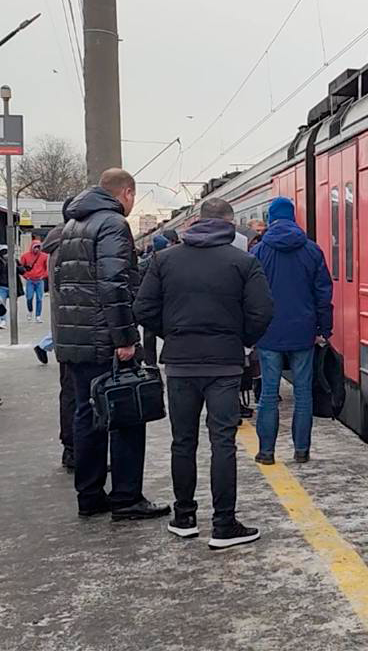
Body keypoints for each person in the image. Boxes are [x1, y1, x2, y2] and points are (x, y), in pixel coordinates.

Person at [135, 197, 273, 548]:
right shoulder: (244, 262)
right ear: (229, 224)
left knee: (183, 441)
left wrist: (175, 333)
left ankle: (184, 518)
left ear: (196, 223)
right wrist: (239, 340)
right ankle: (224, 525)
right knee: (222, 442)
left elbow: (144, 308)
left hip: (181, 364)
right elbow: (261, 313)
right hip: (224, 365)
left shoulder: (164, 259)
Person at [55, 168, 170, 520]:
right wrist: (125, 338)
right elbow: (114, 284)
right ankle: (126, 498)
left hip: (76, 340)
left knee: (87, 414)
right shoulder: (113, 225)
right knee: (126, 415)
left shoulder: (73, 225)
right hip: (105, 340)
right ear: (128, 193)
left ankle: (89, 496)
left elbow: (63, 284)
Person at [252, 196, 332, 465]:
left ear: (270, 219)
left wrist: (252, 328)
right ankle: (301, 451)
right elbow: (323, 293)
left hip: (269, 332)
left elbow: (251, 295)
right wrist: (324, 328)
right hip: (303, 331)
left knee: (268, 393)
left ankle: (266, 453)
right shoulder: (312, 250)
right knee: (303, 393)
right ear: (293, 218)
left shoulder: (259, 252)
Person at [38, 196, 76, 470]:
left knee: (70, 392)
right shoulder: (69, 245)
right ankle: (76, 450)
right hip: (77, 334)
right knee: (77, 394)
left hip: (66, 332)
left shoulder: (55, 245)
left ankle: (73, 448)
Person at [138, 235, 169, 366]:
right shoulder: (168, 261)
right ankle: (157, 359)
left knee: (149, 335)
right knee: (164, 332)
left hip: (153, 304)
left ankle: (151, 362)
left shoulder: (145, 262)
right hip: (161, 303)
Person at [20, 235, 49, 323]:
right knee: (29, 297)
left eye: (38, 247)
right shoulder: (25, 256)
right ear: (32, 247)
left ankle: (38, 315)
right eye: (35, 247)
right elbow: (21, 267)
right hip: (30, 280)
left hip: (40, 280)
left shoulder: (44, 256)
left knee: (39, 299)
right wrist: (26, 276)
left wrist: (44, 275)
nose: (36, 249)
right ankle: (30, 311)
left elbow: (47, 267)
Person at [0, 245, 24, 329]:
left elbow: (22, 271)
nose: (6, 255)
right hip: (2, 286)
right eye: (4, 253)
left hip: (13, 286)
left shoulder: (15, 261)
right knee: (1, 303)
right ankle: (3, 320)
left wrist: (15, 265)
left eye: (7, 253)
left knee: (13, 304)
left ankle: (14, 319)